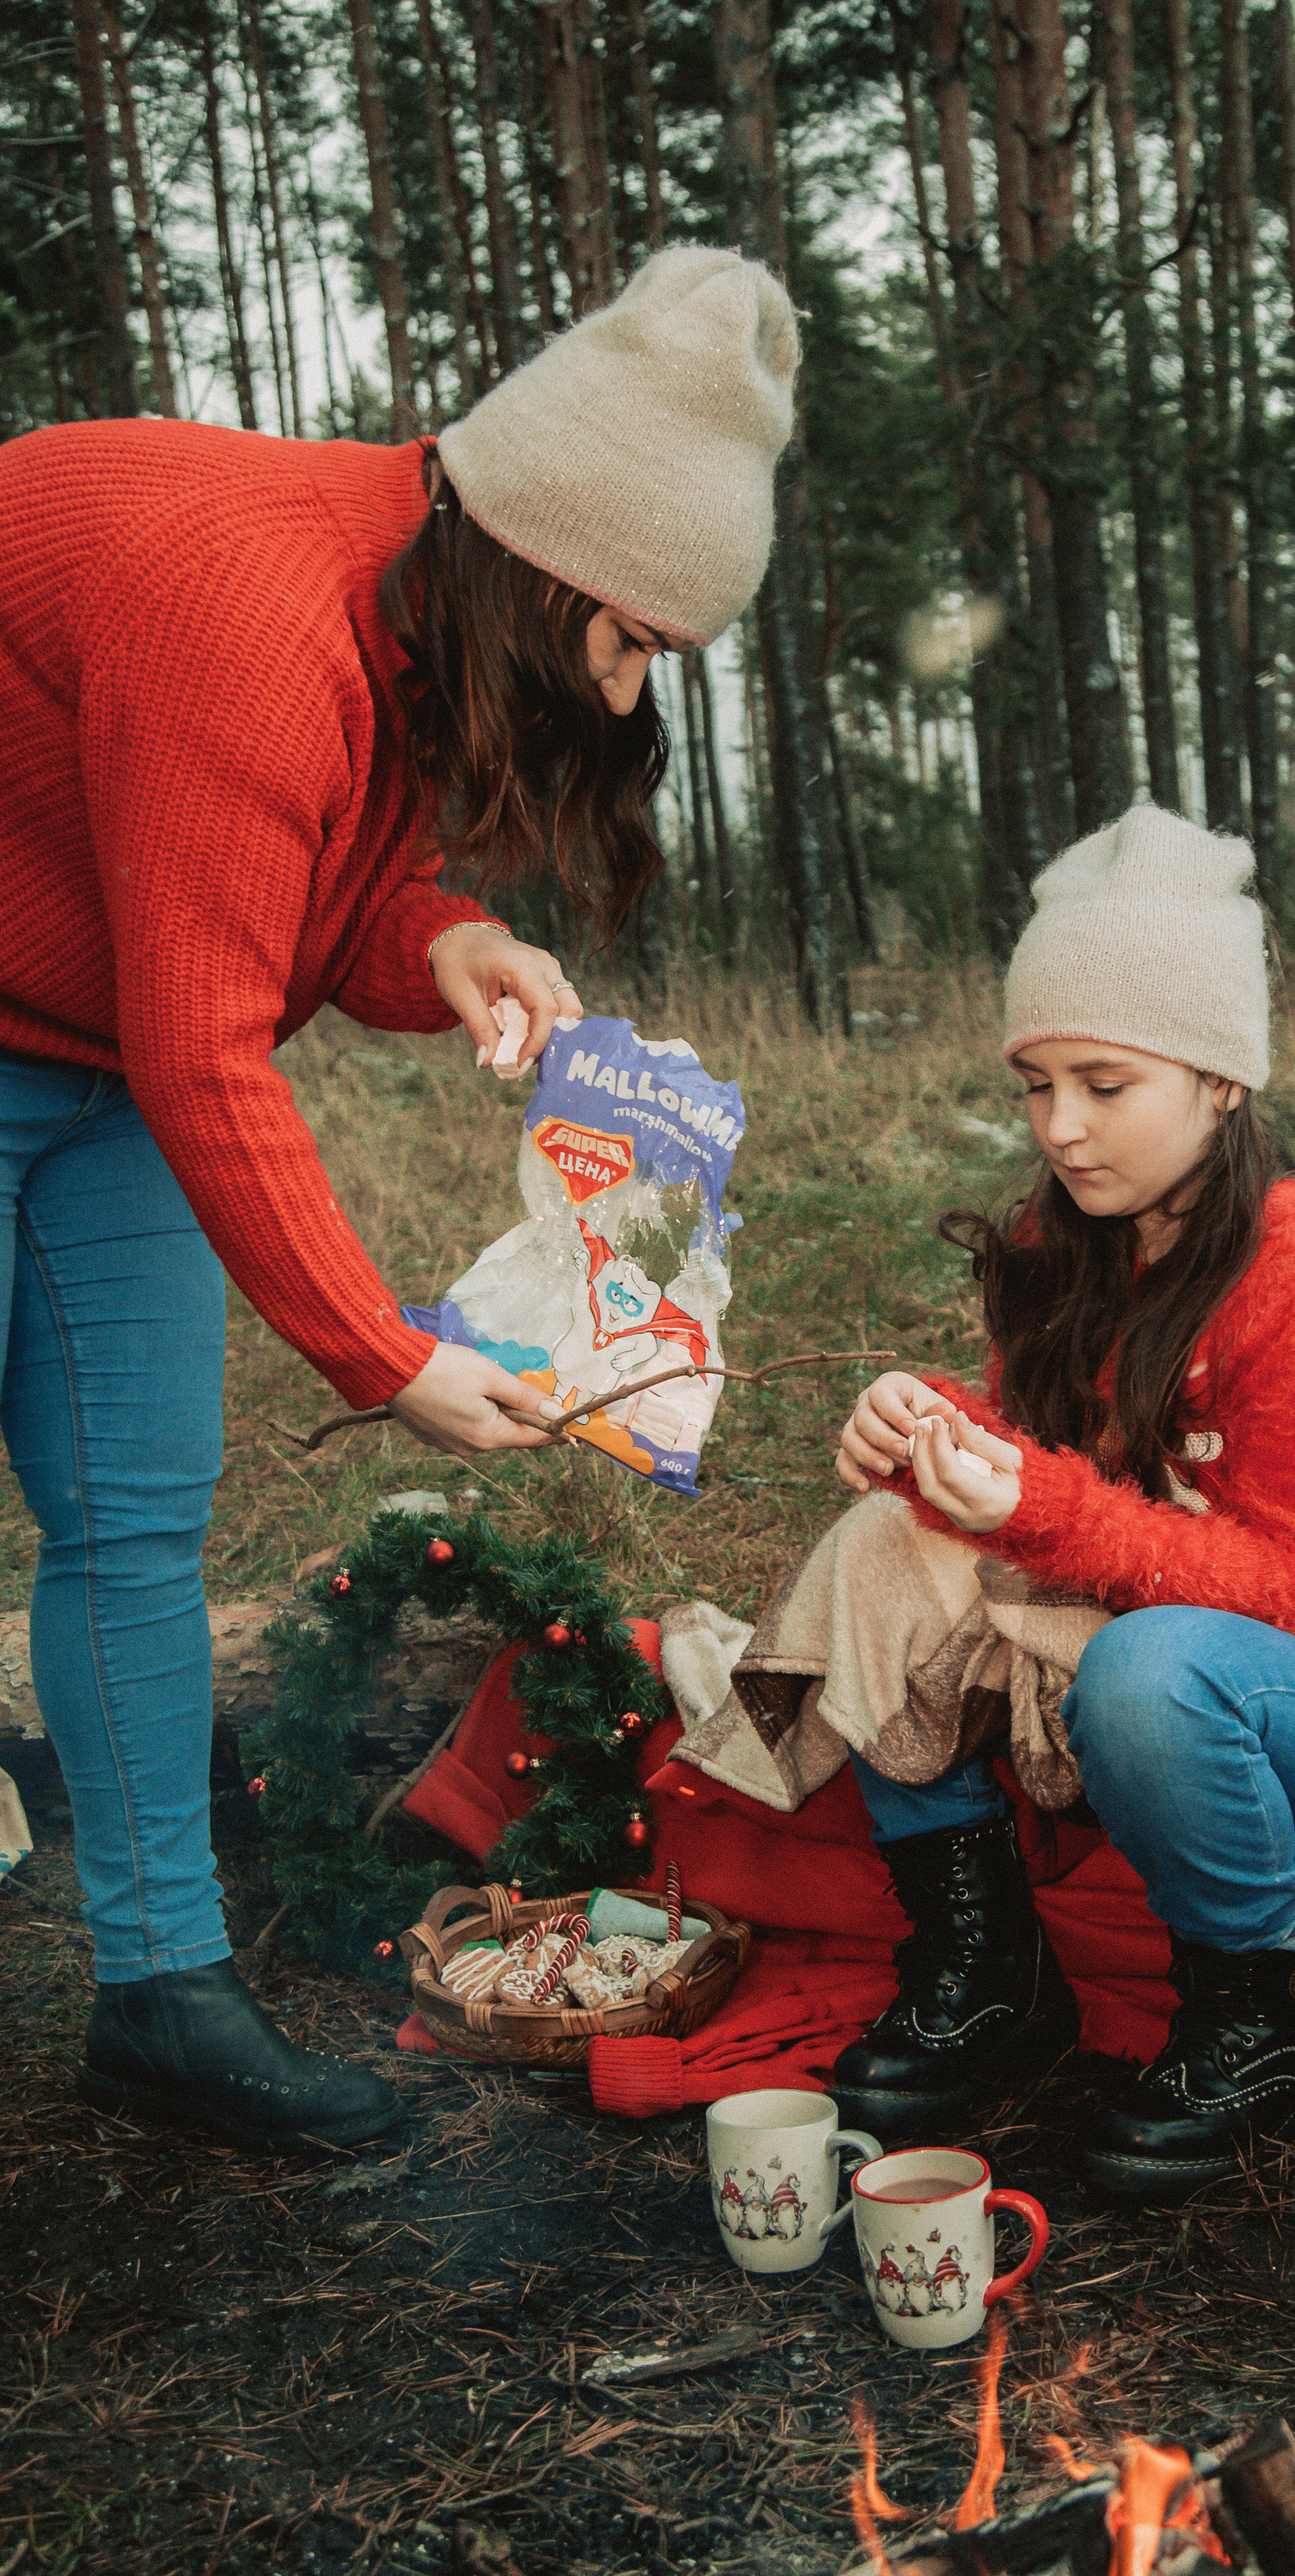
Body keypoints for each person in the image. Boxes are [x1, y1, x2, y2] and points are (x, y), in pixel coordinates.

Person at [0, 245, 796, 2152]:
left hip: (83, 1044)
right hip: (94, 1027)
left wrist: (446, 939)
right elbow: (209, 1042)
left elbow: (299, 900)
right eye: (626, 645)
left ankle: (163, 1997)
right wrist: (384, 1356)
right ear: (546, 569)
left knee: (131, 1514)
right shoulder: (255, 615)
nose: (619, 692)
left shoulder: (410, 609)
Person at [826, 805, 1295, 2200]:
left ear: (1221, 1082)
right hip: (1179, 1640)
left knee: (1149, 1672)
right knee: (879, 1548)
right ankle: (982, 1962)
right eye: (1035, 1086)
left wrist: (1028, 1502)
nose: (1061, 1129)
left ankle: (1258, 2020)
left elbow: (1292, 1599)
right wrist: (928, 1436)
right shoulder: (1056, 1242)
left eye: (1104, 1084)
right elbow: (1034, 1460)